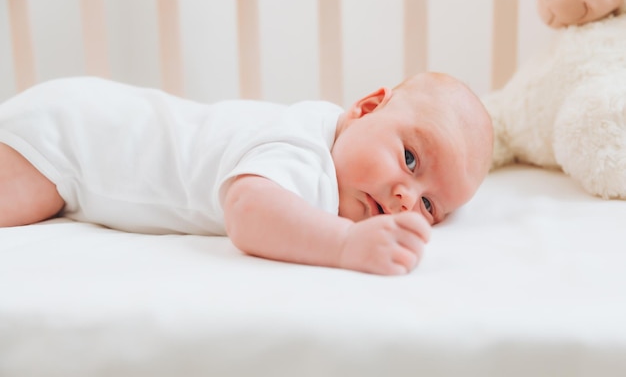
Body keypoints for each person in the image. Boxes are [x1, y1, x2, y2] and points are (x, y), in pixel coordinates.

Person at [0, 72, 493, 275]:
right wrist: (344, 245)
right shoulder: (303, 147)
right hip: (69, 140)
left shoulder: (330, 147)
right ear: (365, 109)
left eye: (430, 205)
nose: (408, 198)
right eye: (410, 159)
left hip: (87, 127)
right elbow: (249, 211)